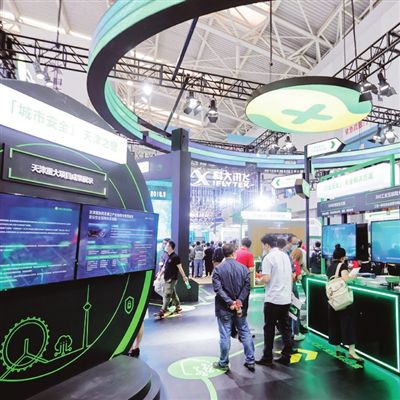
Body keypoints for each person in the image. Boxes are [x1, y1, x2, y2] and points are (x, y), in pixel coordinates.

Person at [212, 244, 255, 372]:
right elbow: (247, 287)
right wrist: (239, 301)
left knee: (225, 335)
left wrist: (230, 302)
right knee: (244, 332)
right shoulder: (244, 269)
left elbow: (218, 289)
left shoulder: (218, 269)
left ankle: (223, 362)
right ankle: (250, 360)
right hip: (240, 308)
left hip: (224, 308)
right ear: (234, 253)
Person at [255, 234, 294, 366]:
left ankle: (267, 357)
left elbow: (266, 278)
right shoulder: (285, 255)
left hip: (273, 299)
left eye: (263, 245)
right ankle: (286, 355)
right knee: (285, 328)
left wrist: (257, 280)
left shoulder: (268, 257)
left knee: (269, 329)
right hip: (285, 298)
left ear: (267, 245)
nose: (263, 247)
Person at [326, 244, 363, 362]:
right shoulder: (342, 265)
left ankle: (337, 348)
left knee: (335, 323)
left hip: (333, 300)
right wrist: (354, 276)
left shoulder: (329, 266)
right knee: (348, 323)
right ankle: (352, 351)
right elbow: (346, 279)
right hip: (343, 299)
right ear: (343, 257)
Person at [155, 240, 189, 318]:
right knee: (173, 294)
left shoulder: (175, 257)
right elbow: (164, 267)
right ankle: (178, 307)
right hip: (166, 278)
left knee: (167, 294)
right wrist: (160, 275)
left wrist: (184, 276)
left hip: (172, 279)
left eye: (166, 245)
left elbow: (180, 268)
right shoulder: (168, 256)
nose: (165, 246)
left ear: (170, 247)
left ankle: (162, 311)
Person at [291, 248, 305, 341]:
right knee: (295, 309)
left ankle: (290, 332)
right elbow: (299, 277)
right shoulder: (296, 264)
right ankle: (296, 333)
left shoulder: (289, 262)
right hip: (293, 287)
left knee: (289, 311)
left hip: (286, 288)